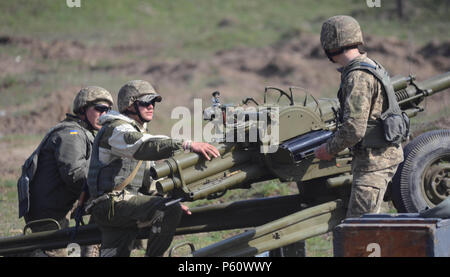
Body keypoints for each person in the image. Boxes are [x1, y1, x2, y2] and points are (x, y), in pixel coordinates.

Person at [87, 80, 220, 257]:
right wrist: (186, 144)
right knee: (168, 209)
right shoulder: (116, 129)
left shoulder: (135, 130)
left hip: (119, 208)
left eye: (153, 102)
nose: (151, 107)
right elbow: (143, 146)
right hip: (111, 205)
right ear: (130, 105)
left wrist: (162, 200)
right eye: (145, 103)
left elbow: (146, 180)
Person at [314, 15, 404, 218]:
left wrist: (328, 150)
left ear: (329, 45)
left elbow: (354, 128)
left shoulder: (357, 76)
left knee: (361, 231)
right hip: (381, 158)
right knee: (376, 225)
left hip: (373, 164)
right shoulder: (370, 65)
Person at [18, 86, 113, 256]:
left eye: (108, 110)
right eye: (99, 109)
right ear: (83, 109)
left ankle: (91, 246)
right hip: (49, 214)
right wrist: (108, 178)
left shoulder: (85, 132)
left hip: (64, 205)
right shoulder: (72, 134)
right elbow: (75, 176)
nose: (104, 114)